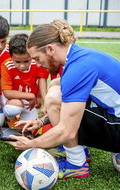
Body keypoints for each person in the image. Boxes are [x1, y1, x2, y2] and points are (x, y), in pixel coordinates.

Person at [8, 19, 120, 179]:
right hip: (114, 118)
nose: (37, 65)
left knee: (54, 97)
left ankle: (77, 164)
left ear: (50, 49)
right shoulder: (79, 57)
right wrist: (41, 122)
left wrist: (31, 144)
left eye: (38, 58)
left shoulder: (78, 69)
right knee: (55, 84)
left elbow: (67, 131)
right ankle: (78, 149)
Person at [1, 33, 48, 128]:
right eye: (17, 62)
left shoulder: (37, 63)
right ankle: (10, 118)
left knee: (31, 129)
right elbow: (7, 92)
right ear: (11, 56)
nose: (22, 66)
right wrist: (31, 95)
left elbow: (42, 81)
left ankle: (21, 118)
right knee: (14, 107)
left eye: (26, 61)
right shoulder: (7, 65)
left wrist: (43, 101)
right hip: (13, 100)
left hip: (30, 102)